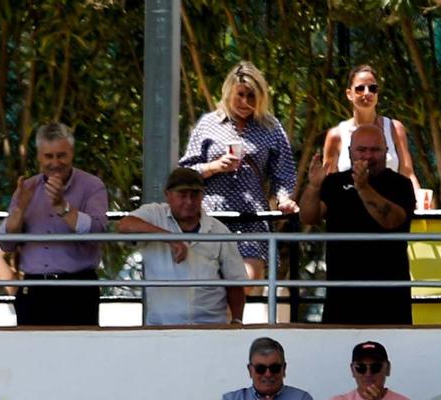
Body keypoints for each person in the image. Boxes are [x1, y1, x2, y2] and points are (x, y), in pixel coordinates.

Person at [179, 61, 299, 281]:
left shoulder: (270, 127)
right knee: (211, 285)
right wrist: (213, 167)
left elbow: (284, 172)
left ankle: (229, 316)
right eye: (240, 95)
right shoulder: (209, 124)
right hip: (211, 217)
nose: (245, 102)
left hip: (251, 217)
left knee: (246, 279)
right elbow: (185, 173)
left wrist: (283, 199)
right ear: (229, 93)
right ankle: (229, 317)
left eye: (252, 95)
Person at [0, 123, 110, 327]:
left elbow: (98, 233)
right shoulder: (27, 188)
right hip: (34, 289)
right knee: (31, 356)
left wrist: (62, 207)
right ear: (39, 156)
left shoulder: (92, 186)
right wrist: (19, 210)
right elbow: (6, 245)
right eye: (49, 156)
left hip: (78, 289)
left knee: (80, 355)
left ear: (72, 153)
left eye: (61, 155)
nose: (55, 162)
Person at [298, 123, 416, 326]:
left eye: (375, 149)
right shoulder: (334, 183)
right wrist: (314, 186)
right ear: (350, 152)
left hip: (390, 295)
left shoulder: (401, 184)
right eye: (362, 149)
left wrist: (362, 188)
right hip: (342, 292)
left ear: (386, 151)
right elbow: (309, 217)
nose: (368, 156)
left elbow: (392, 220)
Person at [114, 167, 247, 326]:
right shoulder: (155, 214)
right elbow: (125, 225)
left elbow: (235, 282)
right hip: (161, 326)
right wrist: (170, 238)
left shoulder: (219, 231)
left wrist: (237, 321)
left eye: (195, 195)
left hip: (211, 327)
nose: (189, 201)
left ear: (202, 196)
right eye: (182, 195)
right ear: (168, 195)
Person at [321, 64, 422, 196]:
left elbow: (407, 174)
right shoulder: (336, 135)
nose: (367, 93)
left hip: (391, 209)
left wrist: (420, 196)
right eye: (360, 89)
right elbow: (328, 184)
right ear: (349, 94)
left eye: (372, 88)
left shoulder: (394, 129)